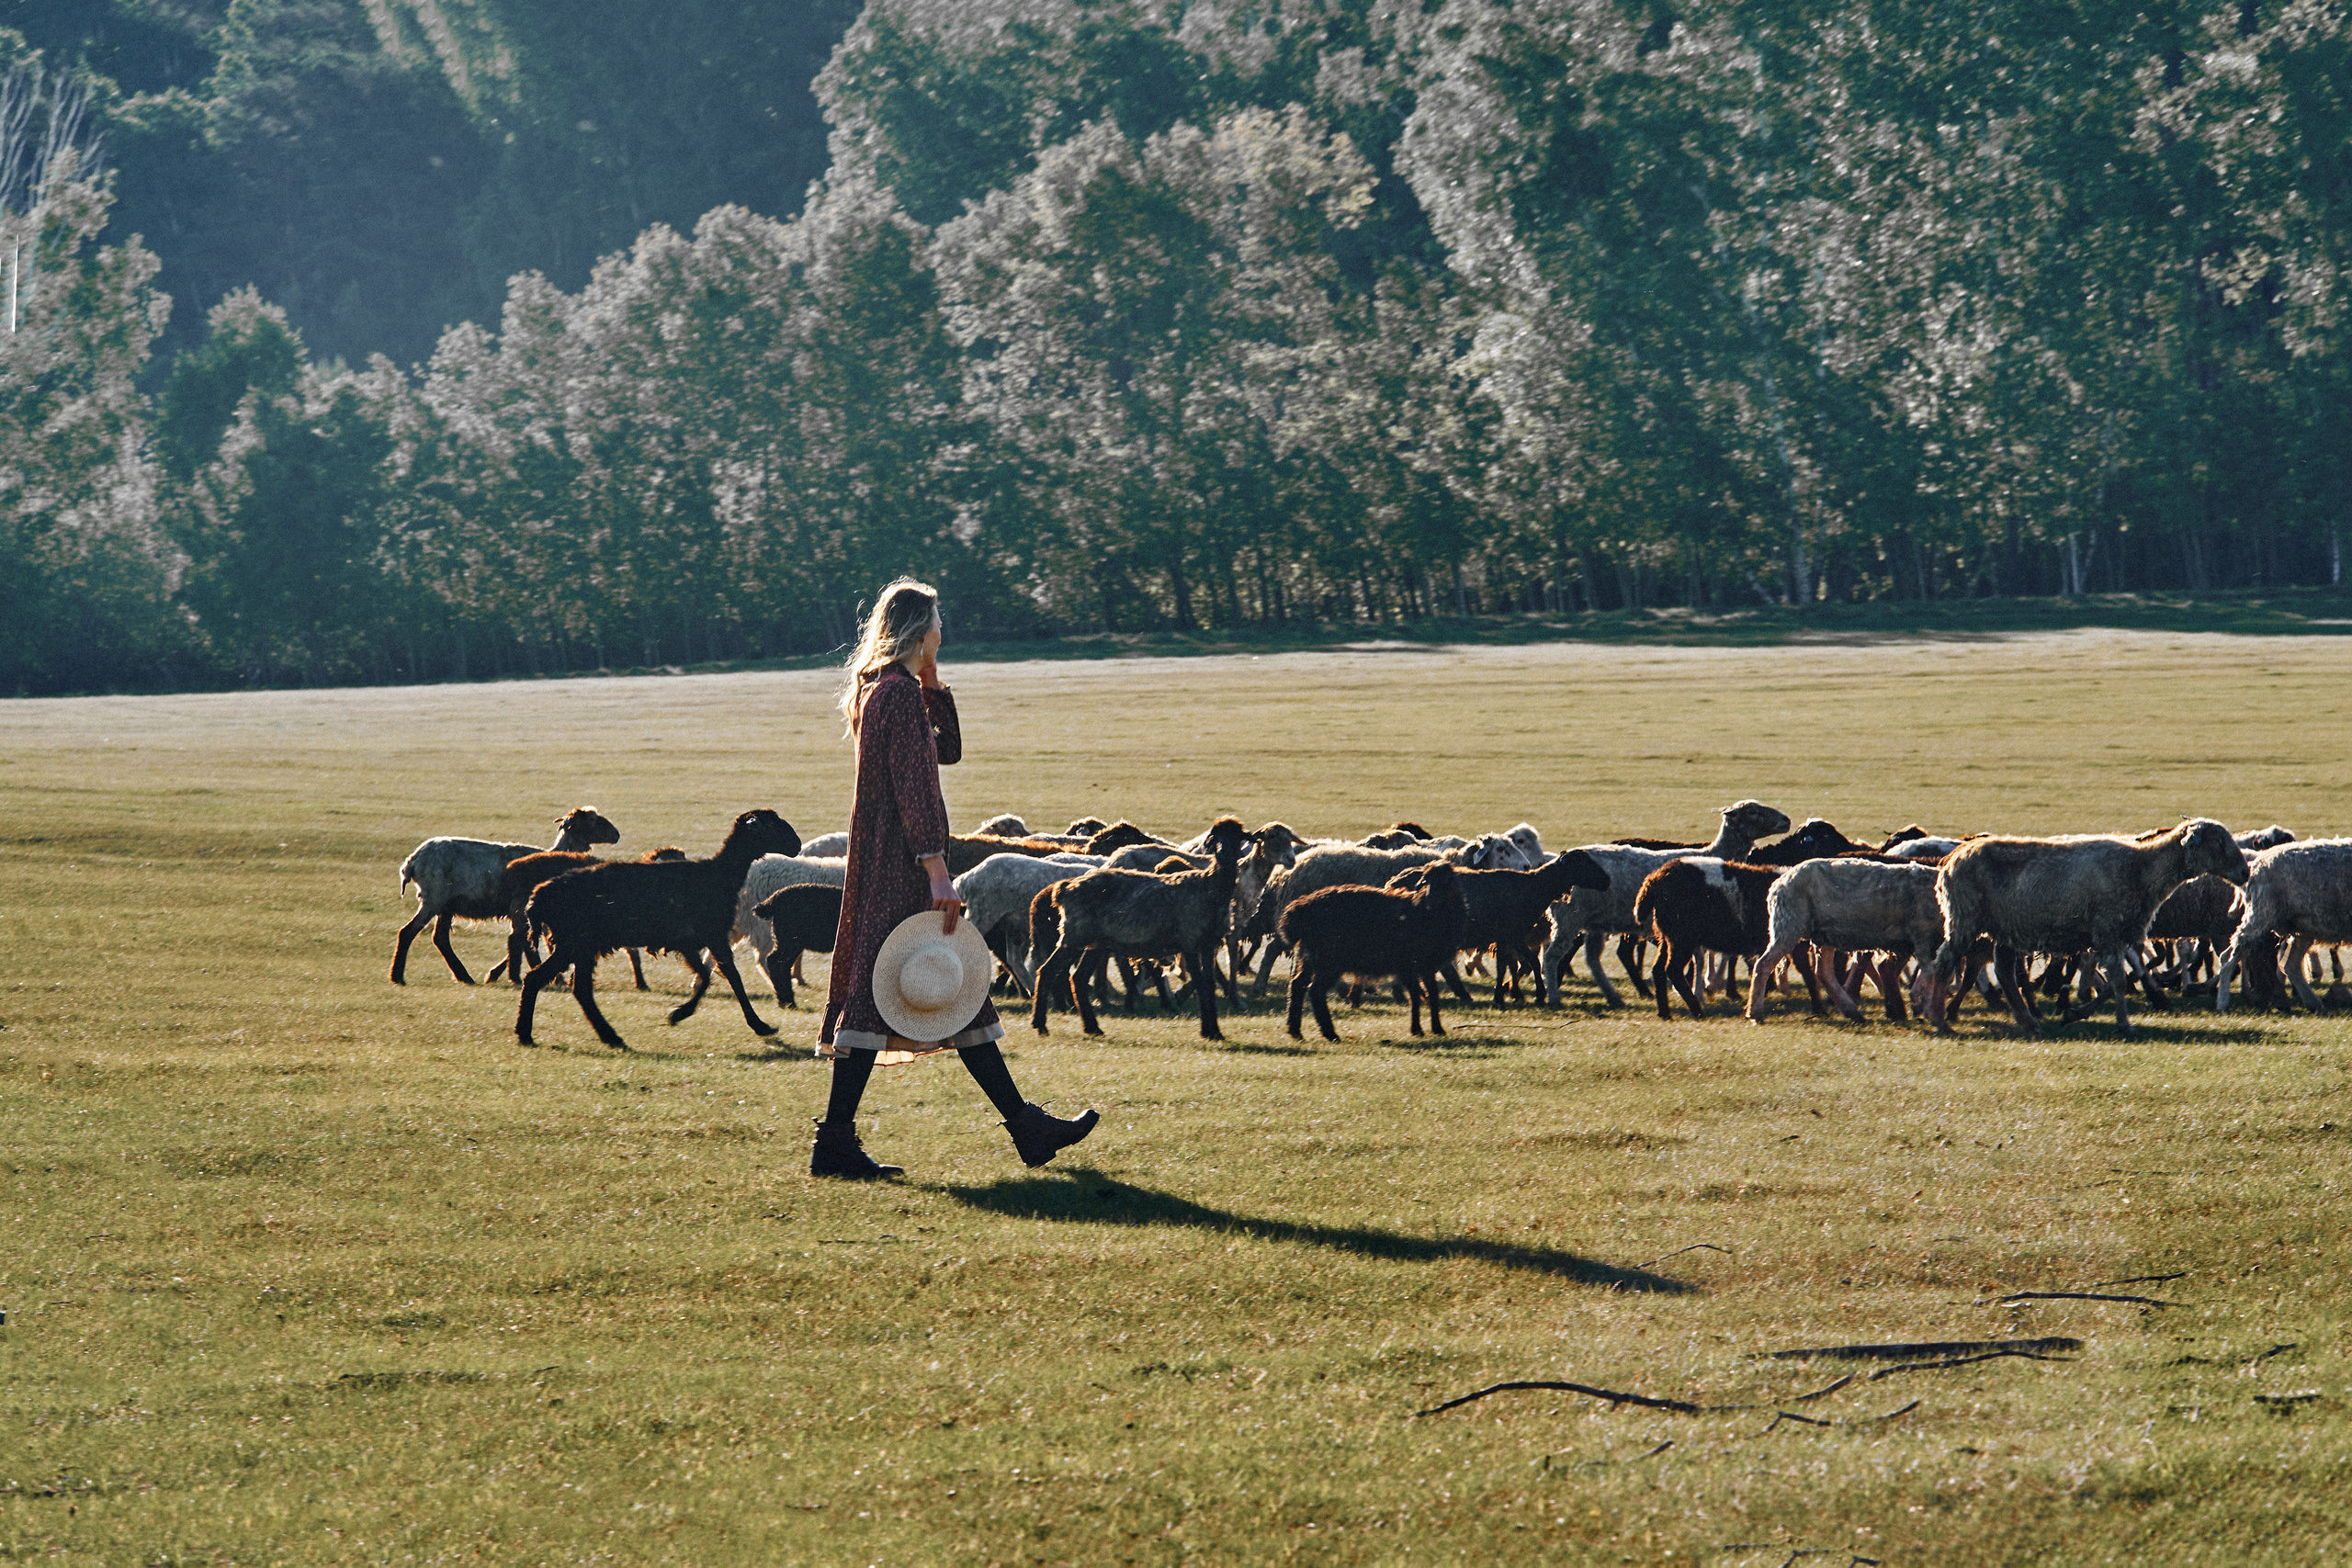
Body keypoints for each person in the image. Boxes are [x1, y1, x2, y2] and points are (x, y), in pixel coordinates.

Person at [811, 578, 1099, 1179]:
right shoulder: (896, 696)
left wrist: (933, 681)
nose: (944, 631)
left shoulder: (886, 691)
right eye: (938, 622)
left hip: (887, 859)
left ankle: (1025, 1128)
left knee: (947, 990)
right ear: (920, 630)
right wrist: (939, 872)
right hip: (904, 865)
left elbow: (949, 751)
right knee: (888, 992)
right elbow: (918, 791)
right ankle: (838, 1142)